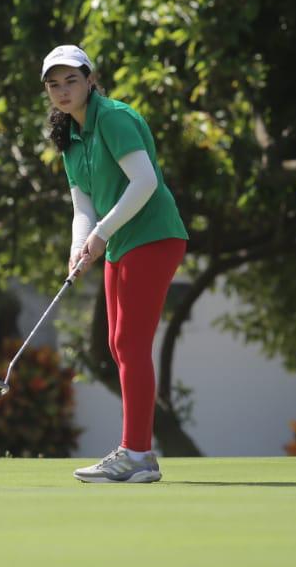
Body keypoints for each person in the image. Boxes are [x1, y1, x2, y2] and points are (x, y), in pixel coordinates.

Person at [42, 45, 189, 483]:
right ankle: (136, 453)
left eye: (71, 80)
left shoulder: (115, 117)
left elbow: (145, 182)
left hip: (154, 235)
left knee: (129, 342)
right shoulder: (69, 136)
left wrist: (100, 234)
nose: (63, 90)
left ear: (91, 80)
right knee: (117, 344)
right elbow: (82, 205)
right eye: (54, 84)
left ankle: (137, 454)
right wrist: (78, 245)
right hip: (121, 241)